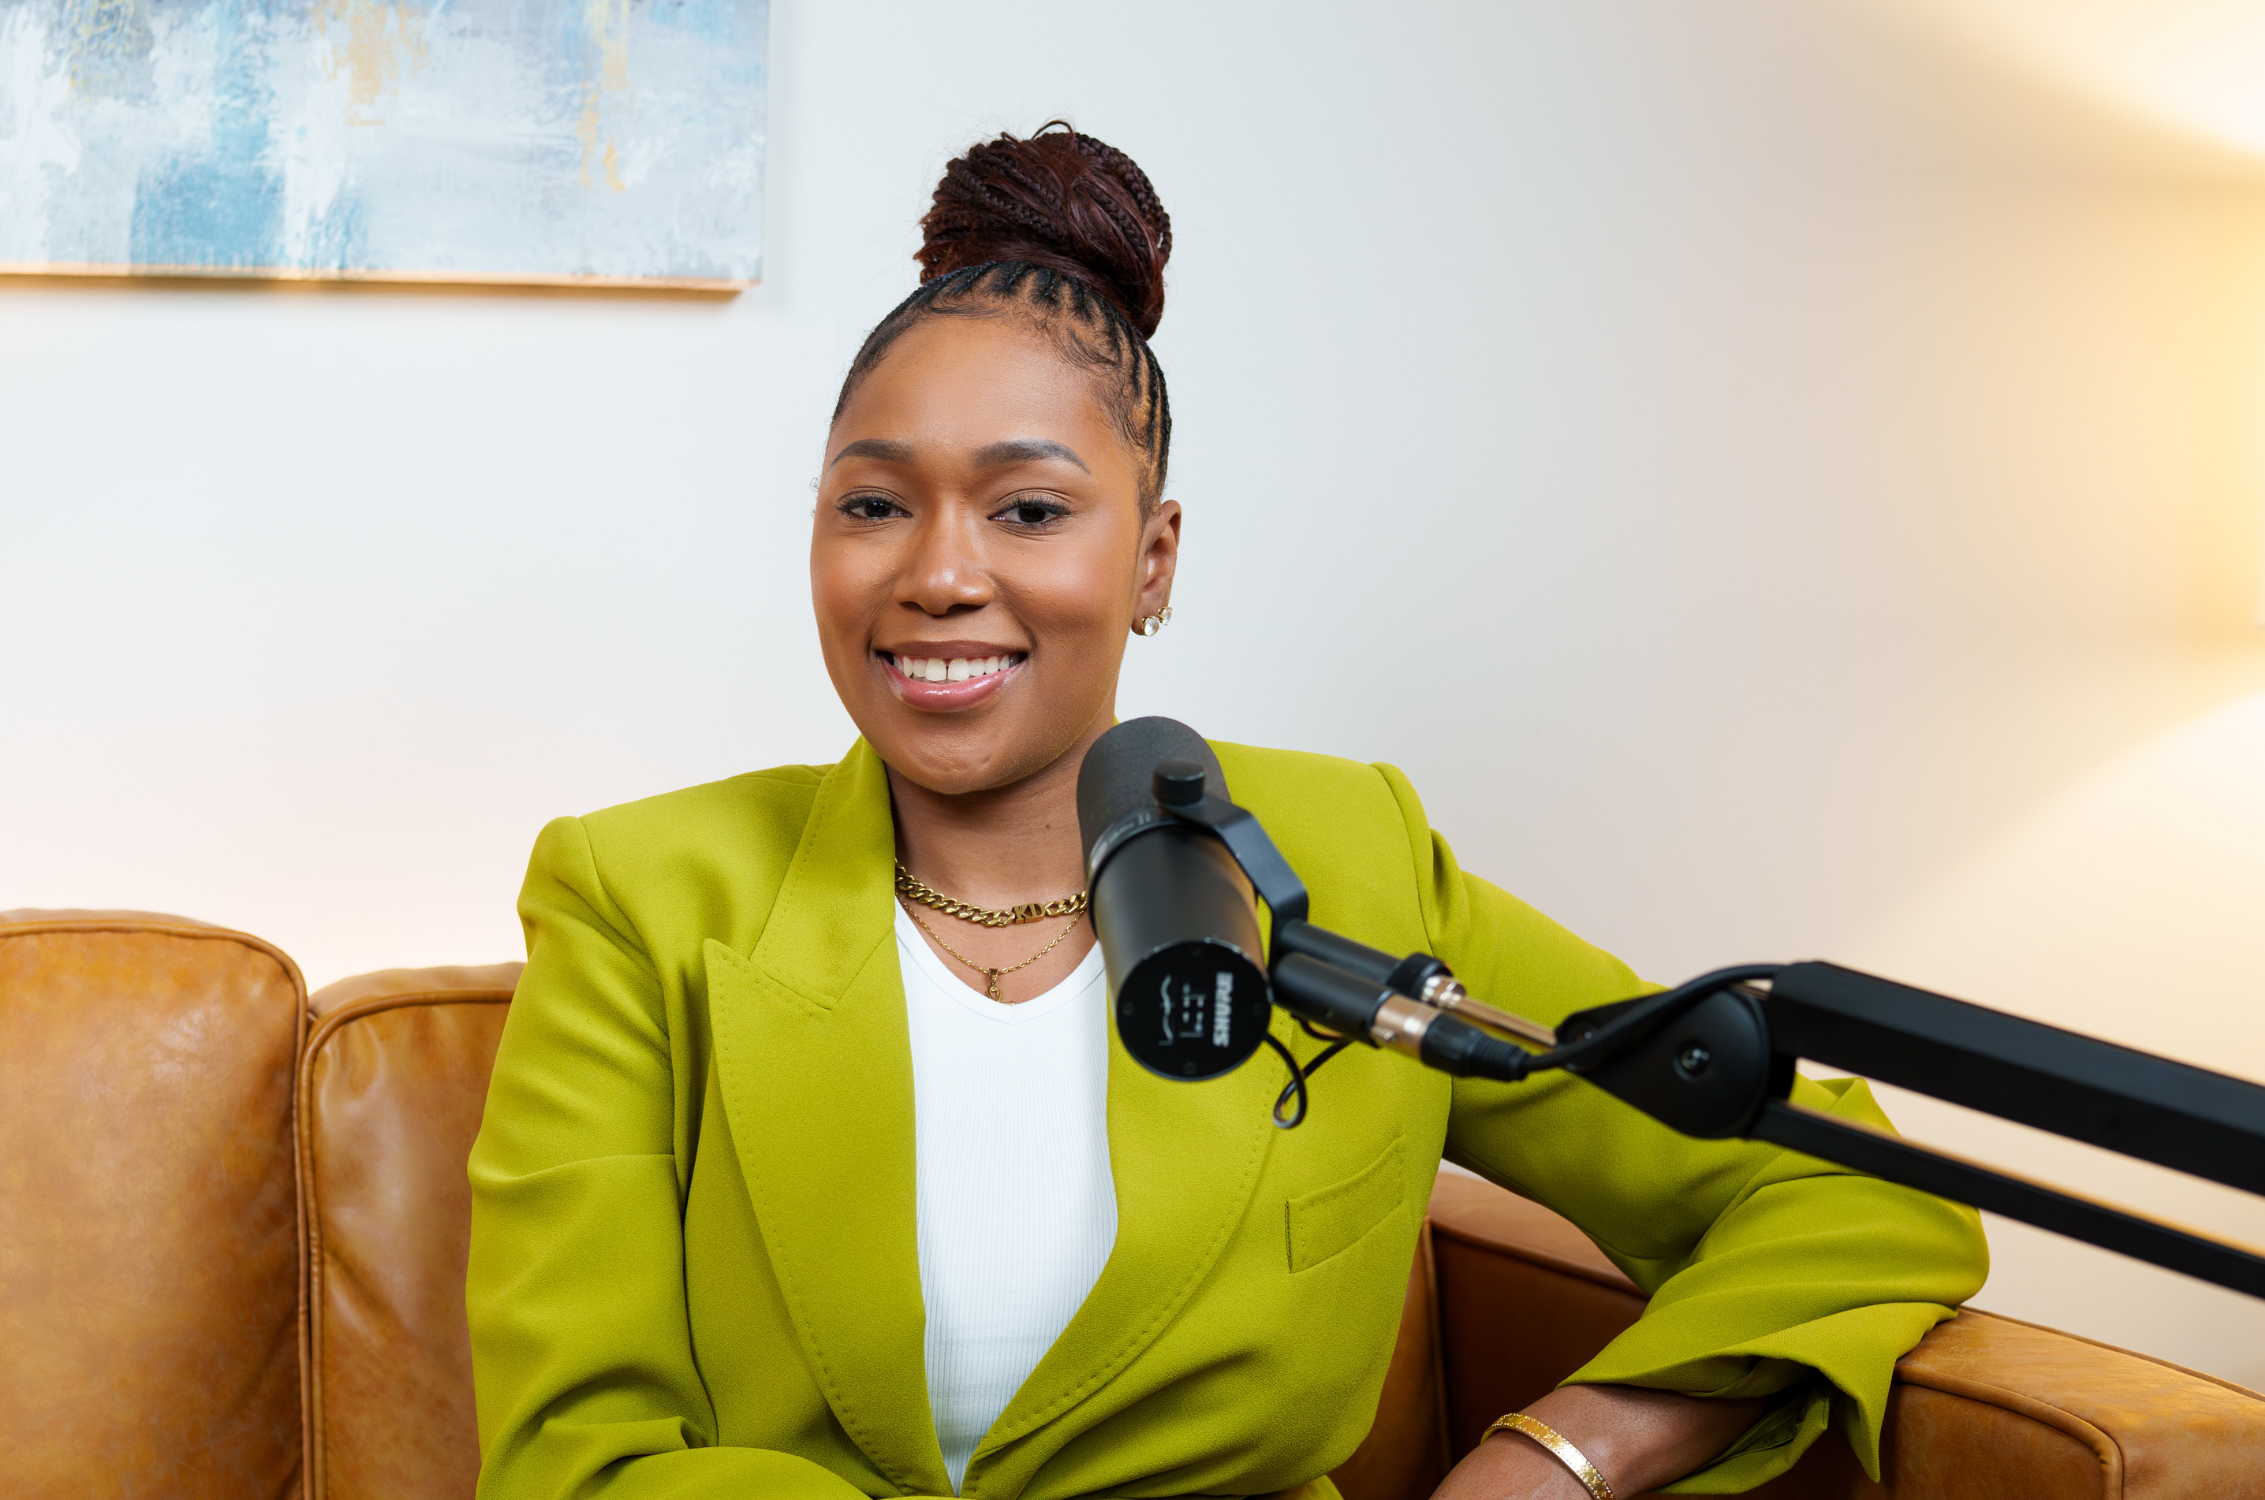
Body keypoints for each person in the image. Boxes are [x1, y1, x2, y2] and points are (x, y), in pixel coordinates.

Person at [466, 124, 1987, 1500]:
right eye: (873, 503)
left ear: (1155, 559)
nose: (935, 570)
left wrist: (1563, 1455)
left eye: (1029, 507)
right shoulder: (642, 893)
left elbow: (1843, 1186)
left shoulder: (1347, 862)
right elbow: (575, 1460)